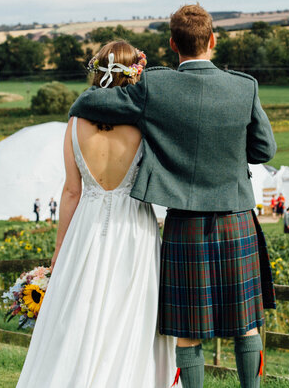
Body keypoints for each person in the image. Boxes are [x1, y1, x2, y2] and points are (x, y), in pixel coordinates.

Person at [67, 4, 276, 388]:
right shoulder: (245, 86)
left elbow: (93, 102)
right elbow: (265, 150)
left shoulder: (155, 86)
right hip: (236, 220)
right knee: (247, 326)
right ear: (213, 40)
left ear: (172, 44)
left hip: (184, 224)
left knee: (187, 330)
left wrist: (79, 102)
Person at [17, 41, 176, 387]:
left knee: (79, 309)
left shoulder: (75, 121)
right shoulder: (143, 123)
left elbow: (72, 191)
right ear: (135, 73)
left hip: (85, 228)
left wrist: (60, 249)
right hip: (133, 226)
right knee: (131, 311)